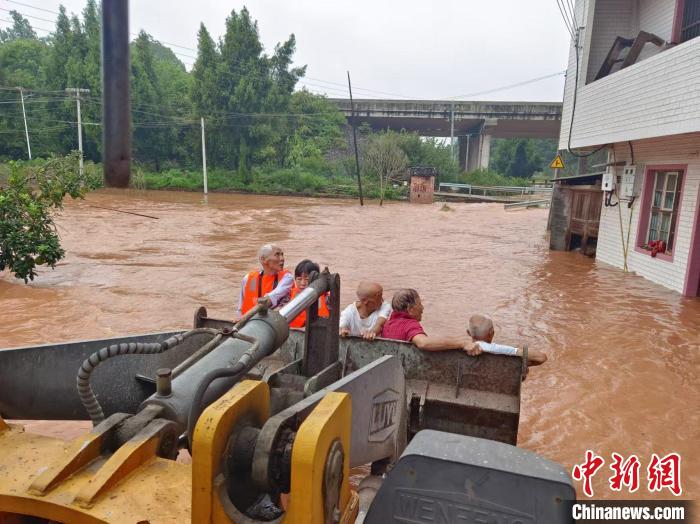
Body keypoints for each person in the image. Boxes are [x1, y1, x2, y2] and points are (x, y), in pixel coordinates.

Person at [381, 288, 471, 351]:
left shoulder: (387, 324)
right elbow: (423, 343)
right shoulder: (409, 324)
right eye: (419, 304)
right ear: (410, 309)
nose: (422, 308)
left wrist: (461, 339)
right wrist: (461, 343)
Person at [466, 314, 547, 366]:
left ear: (468, 333)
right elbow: (541, 358)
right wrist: (519, 364)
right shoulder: (498, 350)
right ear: (492, 333)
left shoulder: (459, 350)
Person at [237, 244, 293, 316]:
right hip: (247, 323)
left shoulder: (287, 278)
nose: (282, 258)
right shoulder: (249, 278)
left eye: (282, 255)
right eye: (277, 255)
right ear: (263, 260)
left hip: (270, 323)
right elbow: (240, 307)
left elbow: (272, 297)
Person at [288, 259, 330, 328]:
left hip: (317, 333)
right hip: (294, 333)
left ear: (316, 280)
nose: (302, 283)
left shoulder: (326, 298)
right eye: (299, 279)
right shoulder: (288, 296)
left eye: (307, 279)